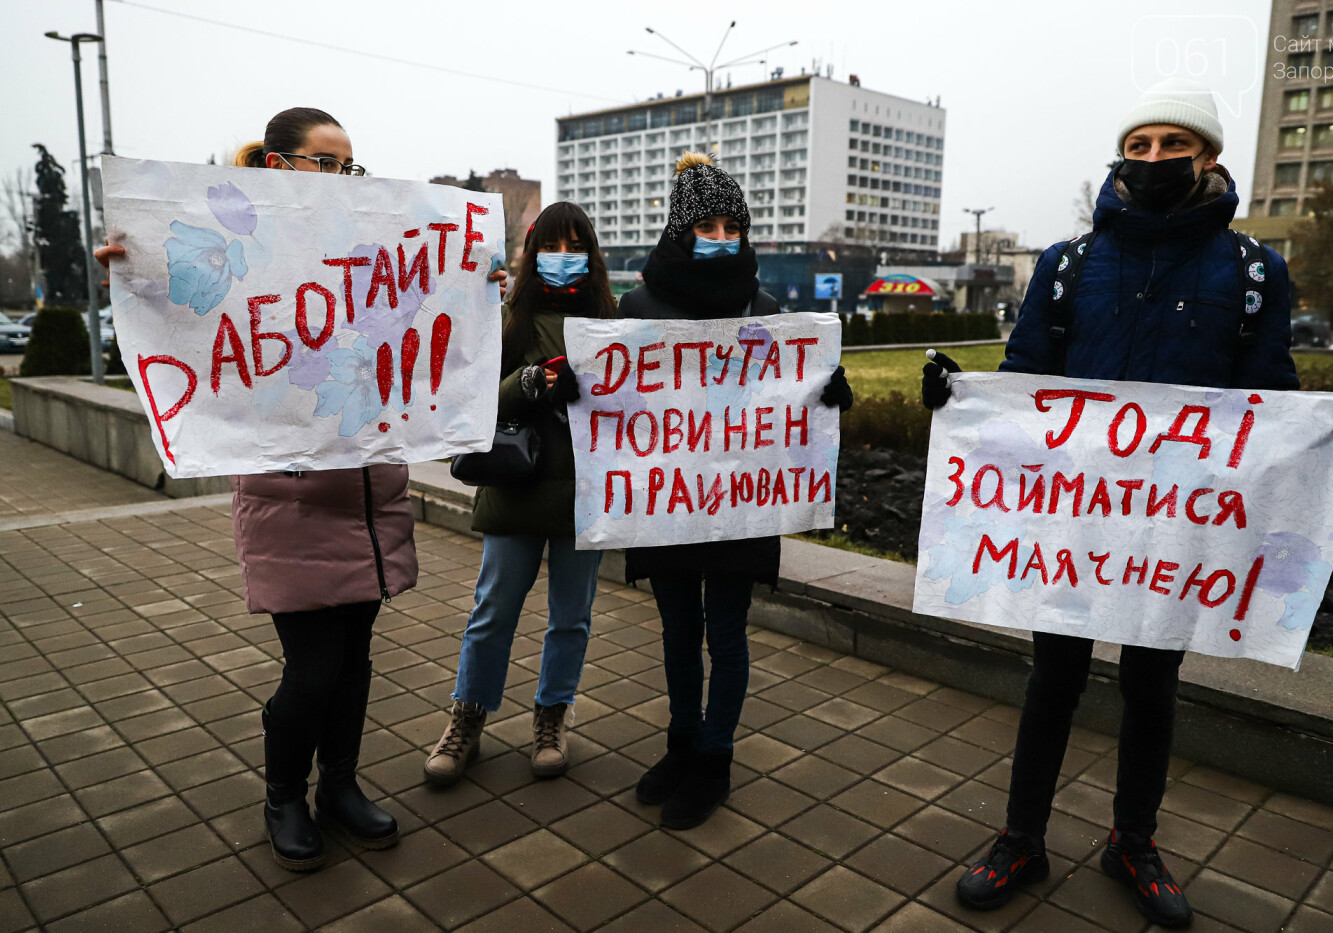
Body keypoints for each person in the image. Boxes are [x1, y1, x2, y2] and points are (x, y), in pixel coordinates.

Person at [922, 78, 1333, 928]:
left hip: (1177, 526)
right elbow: (1026, 376)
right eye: (1139, 145)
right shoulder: (1069, 265)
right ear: (1121, 155)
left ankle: (1132, 841)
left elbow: (1270, 403)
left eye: (1174, 145)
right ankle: (1021, 835)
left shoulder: (1253, 270)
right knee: (1053, 678)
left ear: (1208, 156)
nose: (1154, 159)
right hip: (1075, 520)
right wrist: (959, 399)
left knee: (1152, 684)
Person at [97, 106, 507, 872]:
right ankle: (284, 793)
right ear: (282, 166)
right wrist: (133, 270)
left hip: (366, 501)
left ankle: (339, 788)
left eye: (352, 166)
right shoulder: (245, 250)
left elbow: (423, 309)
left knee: (354, 666)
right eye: (330, 162)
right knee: (313, 669)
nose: (346, 178)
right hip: (292, 508)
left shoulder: (359, 244)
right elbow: (187, 319)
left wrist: (479, 283)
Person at [620, 153, 854, 830]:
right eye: (708, 225)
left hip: (737, 501)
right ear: (678, 229)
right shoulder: (637, 307)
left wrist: (828, 394)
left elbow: (784, 403)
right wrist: (584, 392)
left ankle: (715, 757)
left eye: (733, 225)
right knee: (675, 630)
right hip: (664, 500)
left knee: (724, 631)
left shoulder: (766, 308)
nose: (722, 236)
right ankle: (681, 742)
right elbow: (618, 402)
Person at [424, 202, 616, 785]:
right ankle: (466, 719)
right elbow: (471, 402)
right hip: (517, 491)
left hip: (588, 499)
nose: (564, 259)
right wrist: (530, 383)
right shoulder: (507, 318)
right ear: (533, 256)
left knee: (571, 619)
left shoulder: (615, 324)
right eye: (551, 248)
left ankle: (552, 717)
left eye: (575, 246)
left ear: (592, 254)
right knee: (492, 613)